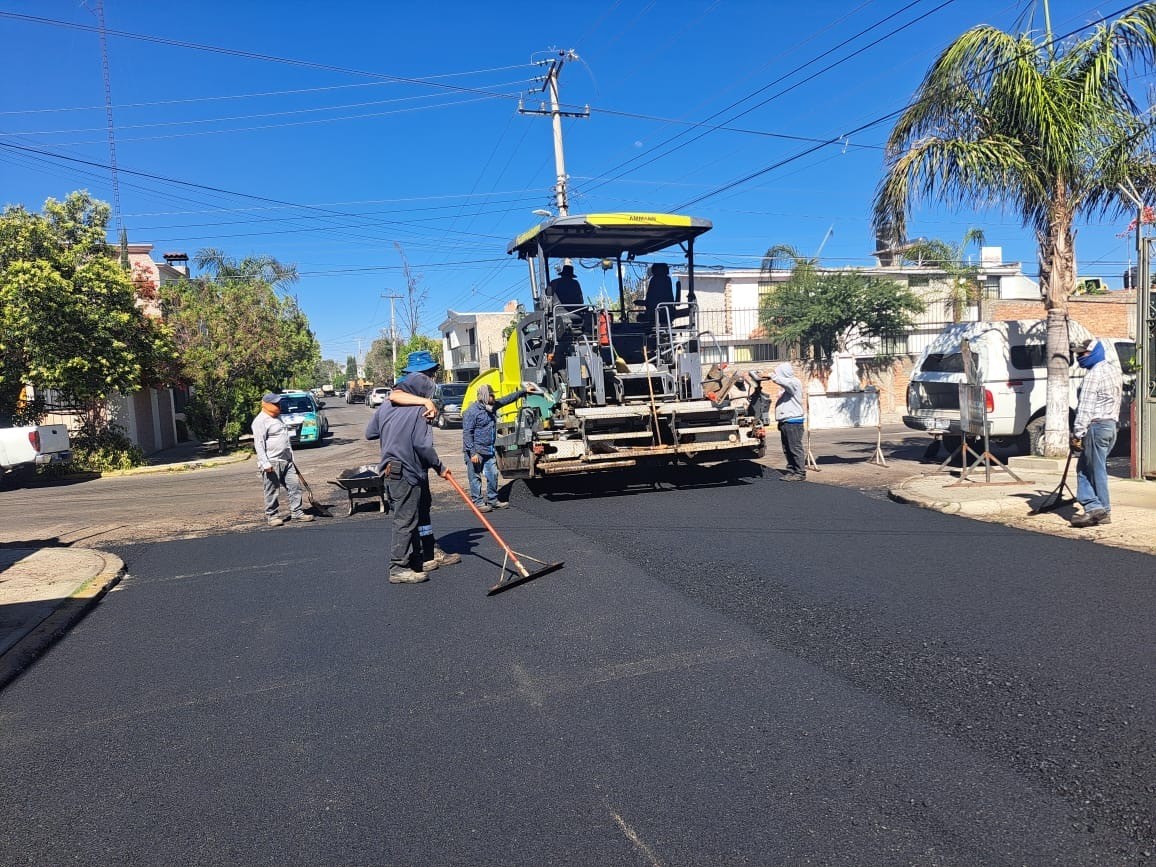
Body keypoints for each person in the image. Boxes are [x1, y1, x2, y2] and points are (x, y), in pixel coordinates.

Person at [365, 375, 452, 584]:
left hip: (389, 471)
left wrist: (393, 431)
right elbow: (423, 446)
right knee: (405, 521)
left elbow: (370, 433)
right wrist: (440, 467)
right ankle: (398, 568)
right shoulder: (420, 410)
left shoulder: (385, 407)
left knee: (408, 518)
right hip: (407, 471)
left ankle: (414, 559)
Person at [1068, 337, 1123, 528]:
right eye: (1078, 354)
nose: (1080, 357)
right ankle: (1100, 510)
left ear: (1095, 352)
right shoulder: (1113, 371)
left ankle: (1097, 508)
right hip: (1110, 427)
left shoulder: (1094, 375)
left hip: (1096, 427)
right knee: (1087, 468)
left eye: (1083, 353)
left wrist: (1077, 432)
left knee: (1092, 470)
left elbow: (1085, 407)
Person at [462, 382, 535, 512]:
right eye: (491, 395)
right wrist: (472, 453)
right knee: (475, 478)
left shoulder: (492, 407)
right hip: (476, 451)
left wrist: (523, 391)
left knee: (493, 474)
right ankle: (478, 503)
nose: (494, 397)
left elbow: (507, 399)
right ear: (484, 396)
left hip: (489, 449)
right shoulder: (472, 412)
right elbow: (467, 433)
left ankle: (493, 500)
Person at [251, 392, 315, 526]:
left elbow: (284, 439)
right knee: (272, 490)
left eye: (278, 403)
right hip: (272, 462)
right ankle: (272, 516)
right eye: (275, 403)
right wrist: (265, 463)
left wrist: (291, 457)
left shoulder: (278, 417)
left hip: (286, 460)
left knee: (294, 486)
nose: (278, 405)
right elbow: (259, 444)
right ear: (266, 404)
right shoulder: (260, 421)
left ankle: (297, 512)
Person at [770, 363, 807, 481]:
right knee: (787, 448)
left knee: (794, 447)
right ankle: (791, 470)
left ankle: (800, 472)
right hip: (785, 421)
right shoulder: (787, 387)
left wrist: (772, 376)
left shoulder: (794, 382)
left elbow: (785, 383)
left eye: (778, 373)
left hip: (793, 422)